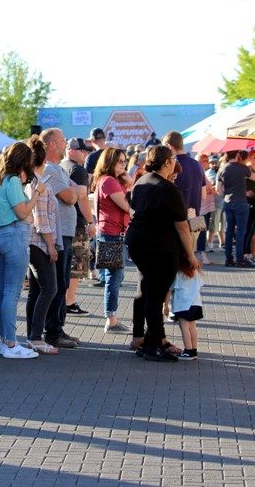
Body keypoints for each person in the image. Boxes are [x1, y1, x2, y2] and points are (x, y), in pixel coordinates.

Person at [126, 146, 199, 362]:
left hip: (138, 242)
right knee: (156, 296)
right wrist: (191, 254)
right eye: (173, 160)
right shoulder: (168, 188)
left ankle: (149, 342)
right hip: (159, 246)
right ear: (167, 162)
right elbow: (182, 226)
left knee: (150, 292)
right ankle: (154, 346)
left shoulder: (141, 182)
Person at [0, 141, 45, 360]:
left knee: (3, 291)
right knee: (11, 292)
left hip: (0, 235)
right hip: (13, 235)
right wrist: (36, 194)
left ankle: (6, 339)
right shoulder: (12, 181)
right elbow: (22, 213)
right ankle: (10, 343)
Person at [40, 128, 81, 349]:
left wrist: (74, 191)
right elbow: (71, 196)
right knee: (57, 284)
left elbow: (77, 193)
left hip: (66, 232)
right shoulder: (50, 170)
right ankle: (53, 332)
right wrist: (73, 191)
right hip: (58, 233)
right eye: (63, 140)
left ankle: (58, 328)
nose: (66, 144)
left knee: (63, 283)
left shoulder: (59, 169)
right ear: (53, 144)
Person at [24, 137, 59, 355]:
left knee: (36, 291)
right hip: (39, 243)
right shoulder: (39, 184)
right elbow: (41, 218)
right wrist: (51, 246)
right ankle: (36, 336)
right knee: (50, 288)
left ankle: (32, 334)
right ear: (44, 158)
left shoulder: (31, 181)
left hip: (31, 242)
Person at [92, 147, 132, 334]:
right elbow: (127, 206)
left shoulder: (107, 180)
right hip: (112, 233)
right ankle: (111, 319)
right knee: (113, 277)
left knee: (115, 276)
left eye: (125, 161)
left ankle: (112, 317)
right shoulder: (108, 181)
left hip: (112, 232)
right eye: (120, 161)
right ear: (109, 162)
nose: (124, 164)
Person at [61, 138, 95, 315]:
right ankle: (69, 301)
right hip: (77, 222)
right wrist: (90, 222)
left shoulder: (61, 166)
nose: (86, 154)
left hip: (64, 221)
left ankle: (65, 301)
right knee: (78, 265)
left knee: (69, 264)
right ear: (72, 151)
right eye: (83, 151)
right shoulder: (78, 170)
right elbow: (82, 198)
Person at [163, 131, 205, 249]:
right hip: (196, 217)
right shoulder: (198, 164)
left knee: (178, 260)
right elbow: (204, 196)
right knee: (191, 256)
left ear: (169, 146)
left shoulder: (171, 165)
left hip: (177, 219)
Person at [216, 150, 255, 267]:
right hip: (241, 203)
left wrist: (226, 195)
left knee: (229, 231)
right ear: (237, 155)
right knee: (240, 231)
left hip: (228, 203)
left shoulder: (222, 169)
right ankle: (239, 258)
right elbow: (254, 177)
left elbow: (218, 189)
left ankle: (229, 258)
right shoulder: (243, 168)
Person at [164, 252, 204, 361]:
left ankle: (187, 351)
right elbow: (200, 285)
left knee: (184, 327)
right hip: (196, 303)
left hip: (183, 304)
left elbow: (170, 290)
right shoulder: (195, 272)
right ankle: (194, 350)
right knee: (192, 327)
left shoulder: (178, 274)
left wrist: (165, 305)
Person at [195, 153, 216, 266]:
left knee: (201, 230)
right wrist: (209, 190)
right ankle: (201, 254)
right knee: (200, 231)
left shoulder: (203, 173)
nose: (207, 162)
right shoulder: (198, 173)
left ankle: (200, 253)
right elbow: (199, 189)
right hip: (199, 208)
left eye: (207, 160)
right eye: (205, 160)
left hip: (203, 207)